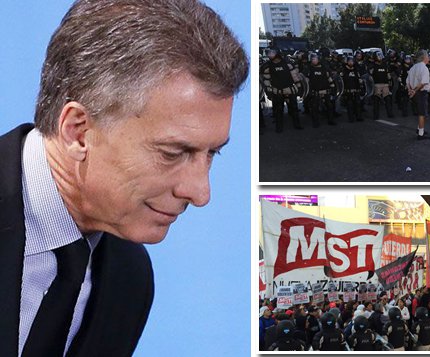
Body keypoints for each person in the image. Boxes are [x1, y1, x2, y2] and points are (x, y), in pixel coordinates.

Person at [0, 1, 246, 356]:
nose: (200, 192)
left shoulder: (130, 278)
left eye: (212, 153)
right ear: (78, 132)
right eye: (173, 153)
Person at [262, 48, 303, 132]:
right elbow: (266, 80)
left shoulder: (287, 64)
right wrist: (269, 92)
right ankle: (279, 127)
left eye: (272, 52)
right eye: (269, 53)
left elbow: (294, 76)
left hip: (290, 90)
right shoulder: (268, 66)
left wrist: (299, 87)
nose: (270, 54)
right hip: (277, 91)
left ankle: (297, 125)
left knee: (294, 109)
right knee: (278, 110)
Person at [305, 52, 338, 127]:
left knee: (329, 106)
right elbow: (305, 80)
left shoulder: (325, 68)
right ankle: (315, 122)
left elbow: (329, 78)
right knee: (315, 107)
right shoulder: (308, 68)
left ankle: (331, 120)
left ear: (319, 59)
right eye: (312, 59)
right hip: (315, 91)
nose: (314, 60)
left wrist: (333, 88)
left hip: (326, 90)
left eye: (315, 59)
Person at [407, 50, 430, 139]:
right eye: (427, 56)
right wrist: (414, 90)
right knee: (422, 113)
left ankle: (419, 129)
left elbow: (408, 81)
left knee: (423, 113)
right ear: (424, 57)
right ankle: (420, 134)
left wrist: (410, 90)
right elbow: (423, 83)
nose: (428, 58)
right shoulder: (424, 68)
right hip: (420, 93)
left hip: (415, 93)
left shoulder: (413, 67)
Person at [370, 52, 395, 119]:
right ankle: (376, 115)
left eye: (381, 55)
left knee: (388, 99)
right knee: (376, 100)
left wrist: (390, 82)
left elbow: (388, 75)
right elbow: (370, 75)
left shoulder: (385, 65)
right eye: (379, 56)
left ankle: (390, 114)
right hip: (376, 85)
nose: (380, 57)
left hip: (385, 84)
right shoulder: (372, 65)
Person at [341, 56, 365, 123]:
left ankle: (359, 117)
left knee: (358, 104)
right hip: (348, 91)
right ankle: (351, 118)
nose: (351, 62)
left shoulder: (356, 70)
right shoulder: (343, 70)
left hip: (356, 90)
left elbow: (359, 79)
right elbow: (341, 82)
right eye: (350, 61)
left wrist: (361, 84)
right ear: (347, 62)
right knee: (350, 105)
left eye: (352, 61)